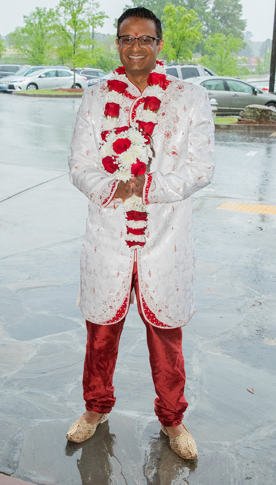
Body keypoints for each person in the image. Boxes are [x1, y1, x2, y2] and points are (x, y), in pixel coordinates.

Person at [67, 6, 214, 460]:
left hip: (164, 236)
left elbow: (202, 168)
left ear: (158, 45)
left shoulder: (188, 98)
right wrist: (114, 186)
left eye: (145, 39)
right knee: (101, 330)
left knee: (166, 335)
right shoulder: (95, 97)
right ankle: (95, 408)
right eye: (126, 38)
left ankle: (173, 419)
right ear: (117, 44)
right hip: (108, 234)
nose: (135, 47)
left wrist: (150, 186)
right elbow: (78, 165)